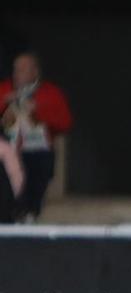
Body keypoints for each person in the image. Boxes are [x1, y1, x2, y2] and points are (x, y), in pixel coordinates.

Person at [0, 52, 73, 221]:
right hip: (6, 151)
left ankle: (29, 213)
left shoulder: (51, 93)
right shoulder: (3, 89)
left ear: (35, 72)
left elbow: (65, 123)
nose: (17, 73)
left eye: (23, 69)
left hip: (37, 151)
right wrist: (5, 103)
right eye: (16, 69)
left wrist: (37, 111)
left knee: (37, 172)